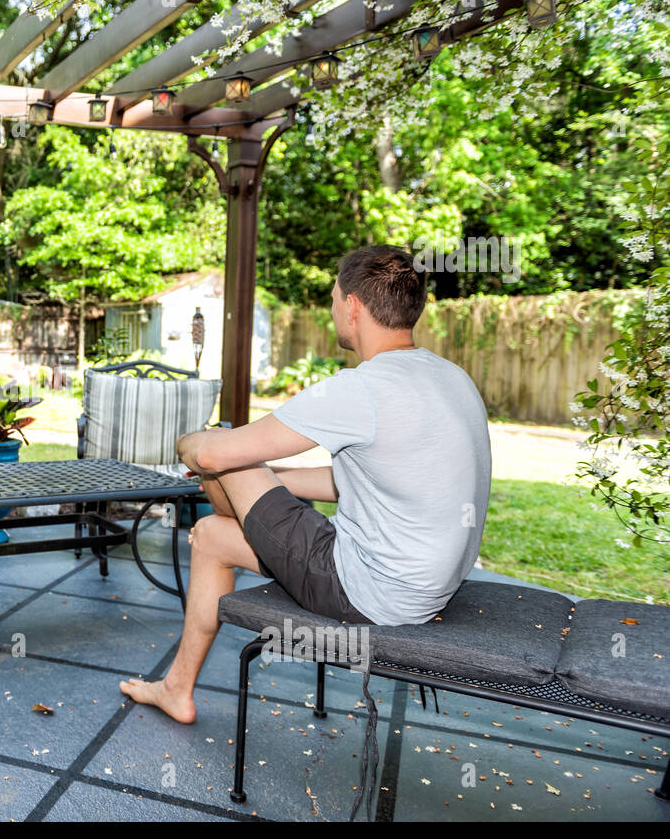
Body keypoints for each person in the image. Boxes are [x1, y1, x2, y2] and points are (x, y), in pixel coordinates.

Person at [119, 244, 491, 724]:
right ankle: (176, 690)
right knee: (212, 537)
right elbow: (363, 480)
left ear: (353, 306)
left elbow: (211, 454)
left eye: (335, 297)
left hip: (367, 591)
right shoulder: (450, 376)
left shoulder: (363, 387)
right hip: (423, 586)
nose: (333, 307)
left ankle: (233, 507)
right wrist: (274, 483)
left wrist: (187, 442)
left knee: (227, 449)